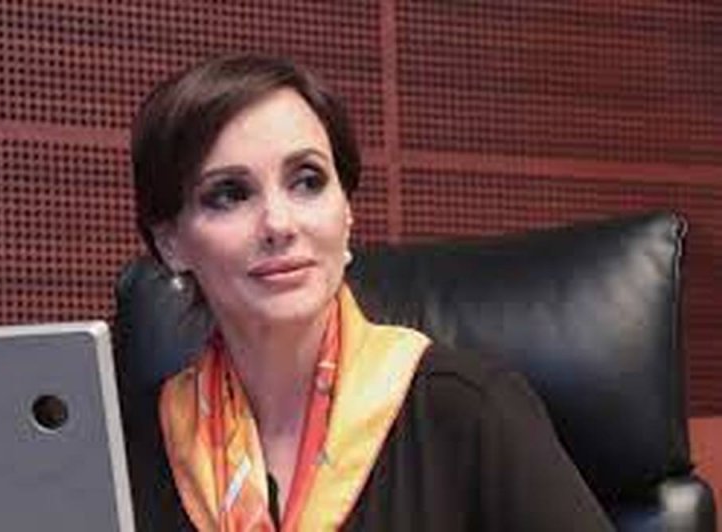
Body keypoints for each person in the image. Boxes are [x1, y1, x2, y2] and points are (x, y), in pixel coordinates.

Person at [130, 53, 612, 531]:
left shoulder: (470, 409)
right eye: (230, 194)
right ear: (170, 243)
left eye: (307, 181)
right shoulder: (134, 443)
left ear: (346, 211)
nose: (279, 224)